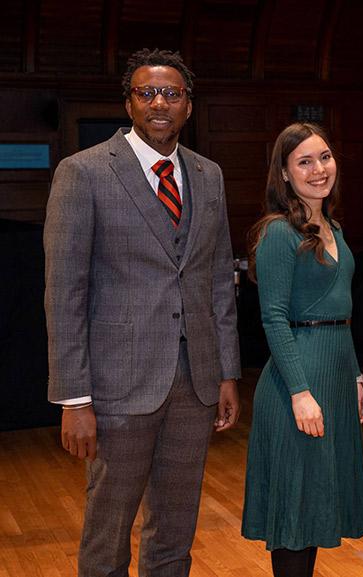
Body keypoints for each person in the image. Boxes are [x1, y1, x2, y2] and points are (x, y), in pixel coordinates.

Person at [44, 48, 241, 577]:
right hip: (115, 390)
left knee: (175, 530)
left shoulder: (209, 175)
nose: (160, 103)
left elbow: (219, 279)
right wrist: (73, 399)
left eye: (172, 94)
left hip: (194, 385)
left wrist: (225, 371)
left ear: (189, 107)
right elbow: (64, 293)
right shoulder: (82, 173)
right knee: (108, 532)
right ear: (128, 102)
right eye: (147, 92)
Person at [242, 123, 363, 577]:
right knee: (296, 510)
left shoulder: (332, 225)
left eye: (325, 157)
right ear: (283, 173)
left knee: (317, 503)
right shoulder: (279, 232)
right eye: (304, 161)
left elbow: (342, 311)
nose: (319, 169)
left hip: (335, 373)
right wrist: (300, 392)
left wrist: (355, 376)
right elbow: (273, 318)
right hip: (298, 382)